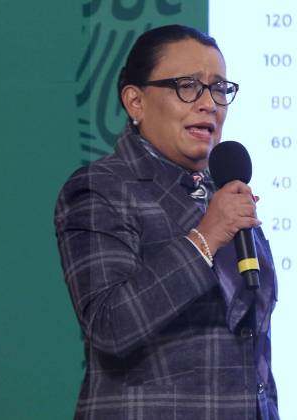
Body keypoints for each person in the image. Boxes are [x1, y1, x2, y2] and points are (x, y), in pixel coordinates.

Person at [54, 24, 279, 420]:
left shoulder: (221, 192)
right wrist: (205, 237)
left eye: (219, 88)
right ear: (135, 102)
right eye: (188, 86)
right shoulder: (100, 189)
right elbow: (110, 325)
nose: (208, 103)